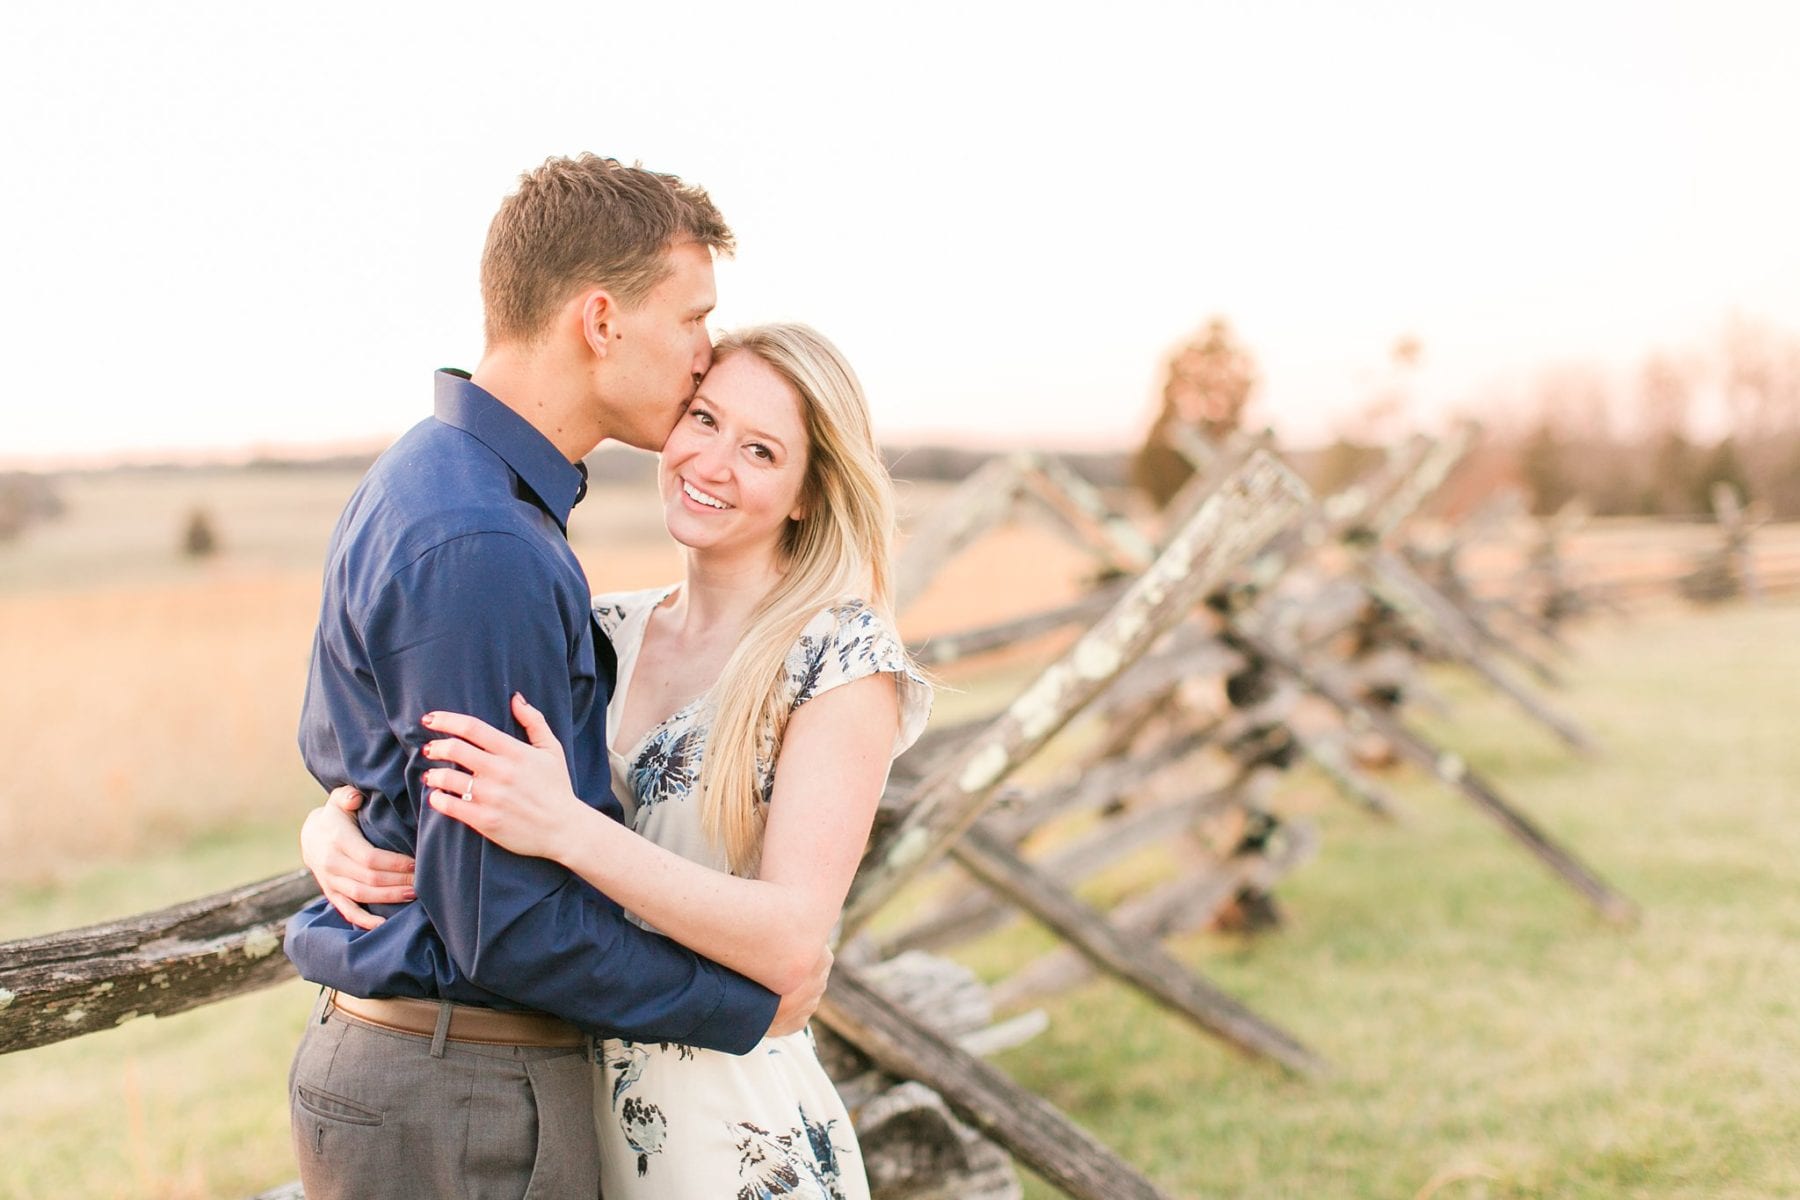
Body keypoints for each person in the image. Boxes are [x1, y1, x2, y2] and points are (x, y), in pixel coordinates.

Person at [284, 155, 831, 1200]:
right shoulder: (485, 540)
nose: (704, 351)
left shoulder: (433, 476)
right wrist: (749, 1006)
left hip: (440, 1073)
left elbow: (377, 775)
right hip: (464, 1096)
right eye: (691, 317)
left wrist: (332, 825)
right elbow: (504, 918)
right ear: (599, 320)